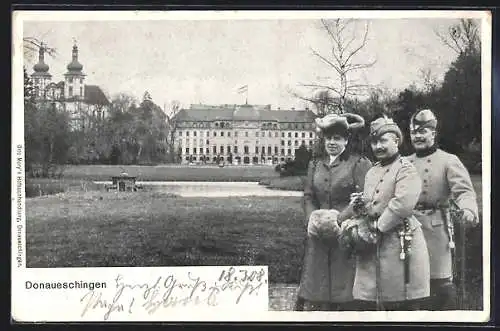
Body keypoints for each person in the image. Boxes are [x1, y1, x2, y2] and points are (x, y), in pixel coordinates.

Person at [340, 116, 430, 311]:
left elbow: (402, 204)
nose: (378, 146)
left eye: (383, 141)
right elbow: (371, 201)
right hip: (371, 243)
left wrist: (376, 227)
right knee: (368, 299)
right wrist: (360, 206)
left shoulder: (406, 169)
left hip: (399, 241)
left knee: (397, 301)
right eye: (374, 142)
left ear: (396, 141)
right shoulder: (372, 171)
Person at [295, 112, 372, 311]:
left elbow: (363, 198)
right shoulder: (315, 164)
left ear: (346, 140)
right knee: (316, 283)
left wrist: (339, 219)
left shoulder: (358, 163)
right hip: (318, 231)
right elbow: (308, 195)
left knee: (342, 285)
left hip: (345, 230)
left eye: (337, 138)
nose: (331, 142)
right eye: (328, 138)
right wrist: (312, 218)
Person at [406, 109, 479, 310]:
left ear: (433, 133)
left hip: (436, 229)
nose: (418, 136)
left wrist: (468, 209)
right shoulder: (404, 162)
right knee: (410, 282)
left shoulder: (448, 160)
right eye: (414, 133)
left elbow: (464, 191)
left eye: (423, 131)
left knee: (438, 285)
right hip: (408, 229)